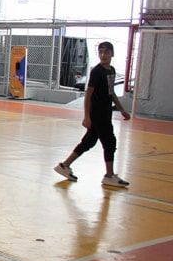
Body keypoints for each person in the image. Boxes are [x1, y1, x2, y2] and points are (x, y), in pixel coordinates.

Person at [54, 41, 131, 187]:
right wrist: (86, 116)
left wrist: (122, 109)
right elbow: (88, 93)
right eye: (100, 52)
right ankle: (109, 175)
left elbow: (111, 92)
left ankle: (64, 165)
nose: (103, 55)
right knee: (109, 142)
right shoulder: (97, 71)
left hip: (106, 111)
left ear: (112, 54)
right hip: (98, 113)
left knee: (89, 141)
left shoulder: (111, 71)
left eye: (106, 52)